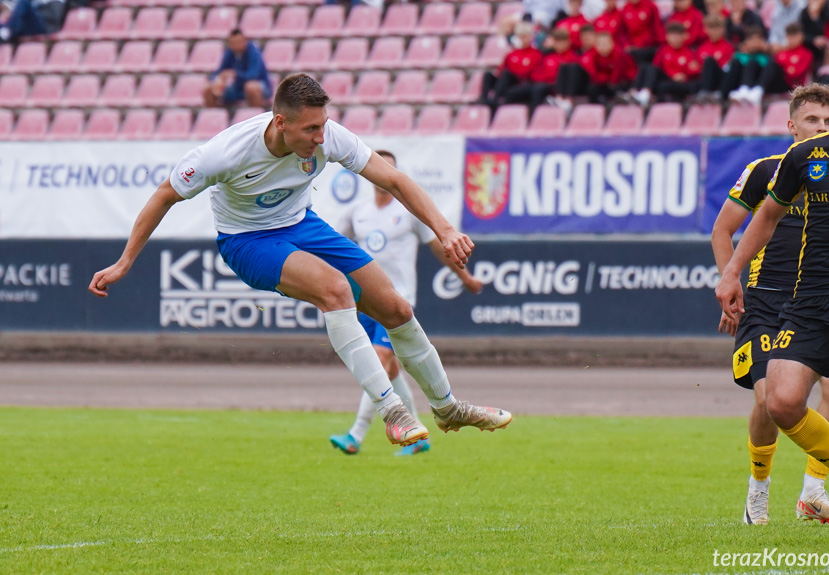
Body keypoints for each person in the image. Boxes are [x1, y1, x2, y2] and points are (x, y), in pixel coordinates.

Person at [89, 73, 513, 449]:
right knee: (336, 290)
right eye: (311, 128)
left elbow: (395, 180)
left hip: (302, 224)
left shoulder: (330, 136)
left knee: (397, 309)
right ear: (280, 122)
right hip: (247, 239)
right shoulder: (225, 152)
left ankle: (447, 407)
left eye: (323, 125)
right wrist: (126, 262)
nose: (320, 137)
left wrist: (445, 229)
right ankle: (394, 412)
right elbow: (164, 195)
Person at [716, 60, 829, 536]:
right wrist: (731, 275)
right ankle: (787, 484)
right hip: (787, 300)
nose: (819, 126)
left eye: (824, 121)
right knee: (773, 401)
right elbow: (746, 224)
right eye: (812, 119)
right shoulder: (784, 166)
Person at [329, 151, 483, 457]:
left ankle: (355, 435)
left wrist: (464, 277)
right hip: (366, 302)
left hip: (398, 302)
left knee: (380, 359)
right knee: (392, 369)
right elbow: (333, 248)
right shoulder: (357, 213)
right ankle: (420, 439)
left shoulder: (409, 213)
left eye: (390, 169)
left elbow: (440, 249)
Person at [729, 23, 815, 106]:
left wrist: (782, 64)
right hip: (775, 82)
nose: (792, 39)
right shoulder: (782, 52)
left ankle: (758, 91)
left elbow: (794, 73)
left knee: (772, 64)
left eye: (794, 36)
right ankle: (745, 89)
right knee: (753, 62)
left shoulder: (806, 54)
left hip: (790, 85)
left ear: (801, 37)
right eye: (789, 36)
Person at [625, 21, 701, 107]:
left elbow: (694, 71)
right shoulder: (663, 50)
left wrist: (684, 75)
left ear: (684, 36)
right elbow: (655, 67)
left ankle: (645, 95)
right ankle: (635, 92)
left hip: (678, 83)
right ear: (667, 37)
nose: (675, 38)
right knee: (645, 67)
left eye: (678, 35)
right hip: (666, 78)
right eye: (672, 35)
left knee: (658, 79)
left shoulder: (689, 53)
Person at [479, 21, 543, 112]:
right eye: (520, 36)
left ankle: (496, 99)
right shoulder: (511, 54)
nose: (521, 39)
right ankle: (483, 99)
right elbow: (501, 70)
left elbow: (527, 72)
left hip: (519, 82)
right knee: (488, 75)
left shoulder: (535, 54)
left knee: (507, 74)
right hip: (505, 81)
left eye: (524, 36)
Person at [203, 29, 272, 109]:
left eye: (238, 42)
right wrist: (218, 79)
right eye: (233, 43)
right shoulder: (230, 53)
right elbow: (220, 71)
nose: (236, 45)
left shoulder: (253, 52)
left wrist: (235, 75)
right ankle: (216, 117)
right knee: (208, 89)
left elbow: (254, 75)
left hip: (258, 86)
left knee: (251, 87)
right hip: (236, 87)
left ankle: (256, 116)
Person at [0, 0, 66, 42]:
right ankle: (5, 31)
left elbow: (54, 19)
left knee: (23, 2)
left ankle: (8, 31)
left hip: (46, 27)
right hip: (30, 25)